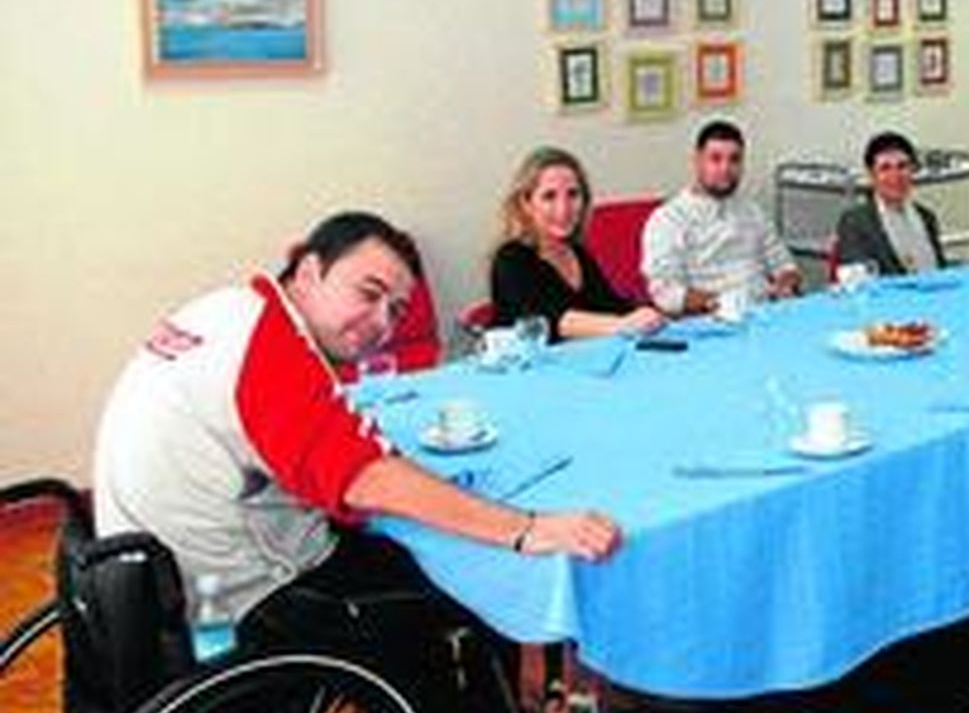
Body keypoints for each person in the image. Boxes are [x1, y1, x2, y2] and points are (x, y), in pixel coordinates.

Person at [94, 211, 622, 641]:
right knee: (462, 589)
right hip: (228, 600)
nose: (380, 325)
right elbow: (363, 477)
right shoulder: (269, 348)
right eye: (367, 294)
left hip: (137, 573)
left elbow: (309, 438)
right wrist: (527, 527)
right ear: (307, 271)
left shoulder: (227, 309)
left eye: (394, 311)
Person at [491, 147, 667, 342]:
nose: (563, 209)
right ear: (526, 204)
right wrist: (623, 325)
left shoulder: (577, 252)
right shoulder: (511, 258)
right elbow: (552, 321)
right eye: (549, 196)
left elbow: (610, 306)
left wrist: (649, 313)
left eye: (573, 194)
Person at [641, 119, 801, 316]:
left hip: (764, 313)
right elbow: (665, 293)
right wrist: (718, 303)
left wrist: (785, 284)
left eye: (734, 160)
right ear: (697, 161)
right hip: (711, 320)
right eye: (715, 159)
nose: (725, 169)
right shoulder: (669, 219)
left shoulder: (752, 211)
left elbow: (785, 266)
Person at [834, 131, 947, 276]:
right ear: (871, 175)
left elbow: (941, 271)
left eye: (902, 166)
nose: (895, 176)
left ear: (912, 170)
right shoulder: (855, 223)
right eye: (885, 168)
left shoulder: (927, 217)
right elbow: (860, 285)